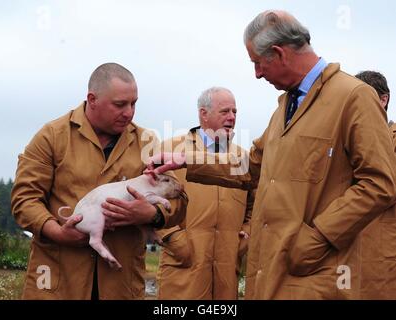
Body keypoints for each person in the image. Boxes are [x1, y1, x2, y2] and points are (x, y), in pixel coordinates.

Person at [146, 11, 396, 299]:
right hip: (269, 274)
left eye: (257, 63)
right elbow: (253, 166)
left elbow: (379, 184)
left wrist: (317, 238)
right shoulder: (284, 108)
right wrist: (188, 160)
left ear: (279, 53)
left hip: (315, 278)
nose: (257, 74)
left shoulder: (354, 97)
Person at [11, 62, 188, 300]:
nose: (129, 112)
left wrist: (152, 214)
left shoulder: (148, 142)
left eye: (134, 103)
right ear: (92, 99)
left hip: (121, 285)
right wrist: (57, 232)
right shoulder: (51, 136)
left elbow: (178, 199)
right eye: (120, 104)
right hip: (57, 284)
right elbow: (24, 199)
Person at [156, 87, 255, 300]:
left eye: (235, 112)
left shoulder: (244, 159)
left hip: (226, 274)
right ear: (203, 114)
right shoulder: (172, 151)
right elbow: (150, 201)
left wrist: (246, 235)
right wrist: (173, 239)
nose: (231, 117)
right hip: (183, 269)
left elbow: (256, 205)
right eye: (225, 111)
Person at [355, 70, 396, 299]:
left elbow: (385, 188)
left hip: (386, 257)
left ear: (383, 99)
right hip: (349, 256)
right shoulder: (349, 140)